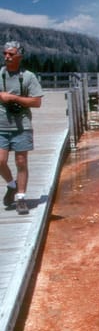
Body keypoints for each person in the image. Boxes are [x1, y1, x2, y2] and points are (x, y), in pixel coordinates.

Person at [1, 41, 43, 215]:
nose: (7, 57)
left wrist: (14, 99)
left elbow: (37, 101)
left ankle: (21, 198)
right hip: (1, 126)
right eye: (5, 54)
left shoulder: (28, 76)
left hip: (22, 126)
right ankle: (12, 185)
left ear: (20, 56)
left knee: (21, 162)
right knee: (0, 161)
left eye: (11, 54)